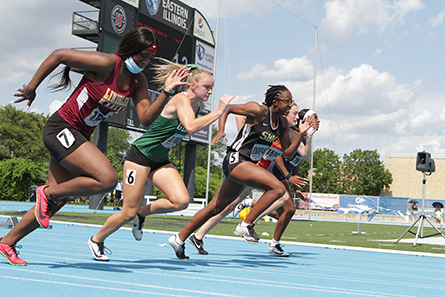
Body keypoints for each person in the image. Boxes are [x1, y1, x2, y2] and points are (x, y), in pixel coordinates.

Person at [0, 26, 190, 266]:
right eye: (144, 55)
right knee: (107, 179)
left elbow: (145, 118)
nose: (146, 62)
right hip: (62, 128)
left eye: (150, 58)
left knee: (55, 203)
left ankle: (7, 242)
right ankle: (45, 192)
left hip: (78, 136)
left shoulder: (137, 81)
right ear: (131, 49)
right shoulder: (106, 63)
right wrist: (31, 87)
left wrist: (165, 92)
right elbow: (59, 54)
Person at [87, 59, 235, 261]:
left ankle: (142, 213)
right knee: (127, 211)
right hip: (140, 156)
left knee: (181, 200)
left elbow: (192, 126)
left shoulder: (197, 105)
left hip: (160, 159)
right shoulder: (181, 100)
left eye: (212, 88)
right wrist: (219, 111)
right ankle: (97, 240)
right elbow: (190, 127)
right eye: (207, 87)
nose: (210, 91)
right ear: (192, 85)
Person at [168, 85, 317, 259]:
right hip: (236, 159)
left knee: (215, 208)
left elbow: (287, 153)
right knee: (278, 188)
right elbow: (228, 109)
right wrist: (222, 130)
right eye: (287, 101)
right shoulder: (258, 110)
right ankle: (246, 224)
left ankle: (179, 238)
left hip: (248, 164)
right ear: (275, 102)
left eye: (291, 101)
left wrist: (302, 134)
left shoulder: (282, 124)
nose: (290, 105)